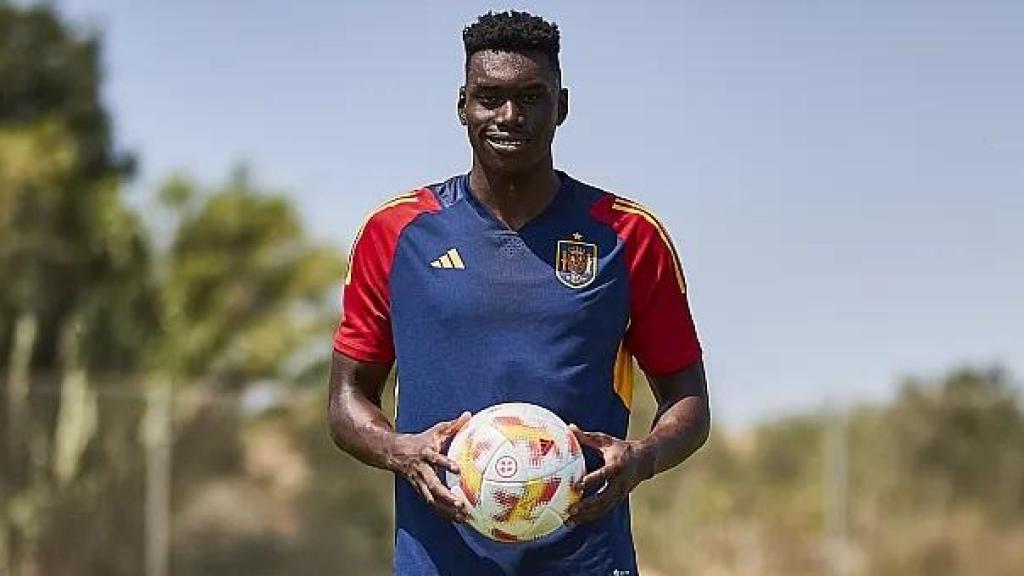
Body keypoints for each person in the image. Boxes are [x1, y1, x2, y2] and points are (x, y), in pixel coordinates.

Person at [328, 10, 710, 576]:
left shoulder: (628, 236)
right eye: (490, 98)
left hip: (587, 558)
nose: (510, 116)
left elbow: (689, 401)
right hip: (437, 561)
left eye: (532, 97)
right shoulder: (398, 232)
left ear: (562, 105)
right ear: (463, 106)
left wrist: (643, 458)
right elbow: (346, 399)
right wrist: (400, 451)